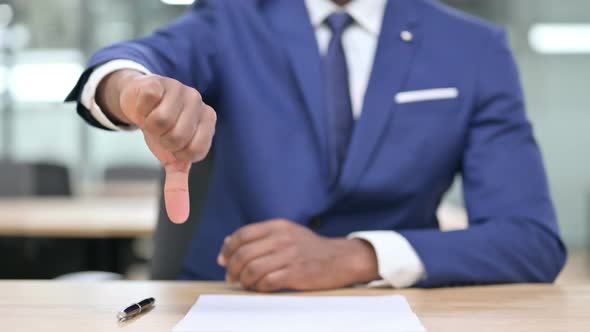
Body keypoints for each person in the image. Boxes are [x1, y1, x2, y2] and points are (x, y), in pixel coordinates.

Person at [67, 0, 566, 291]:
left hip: (391, 306)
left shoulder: (472, 48)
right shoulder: (231, 18)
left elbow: (530, 240)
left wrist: (358, 256)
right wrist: (131, 91)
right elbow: (132, 61)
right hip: (229, 298)